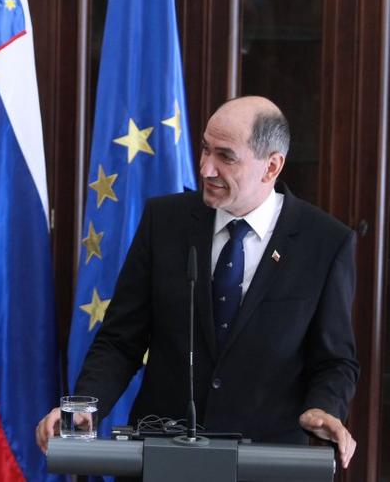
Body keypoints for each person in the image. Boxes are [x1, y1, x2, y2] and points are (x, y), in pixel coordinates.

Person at [36, 96, 358, 469]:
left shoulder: (325, 242)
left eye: (225, 157)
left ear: (271, 166)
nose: (206, 168)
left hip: (264, 461)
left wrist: (324, 407)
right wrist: (86, 406)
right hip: (163, 454)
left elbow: (335, 360)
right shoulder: (165, 221)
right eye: (205, 149)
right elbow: (120, 340)